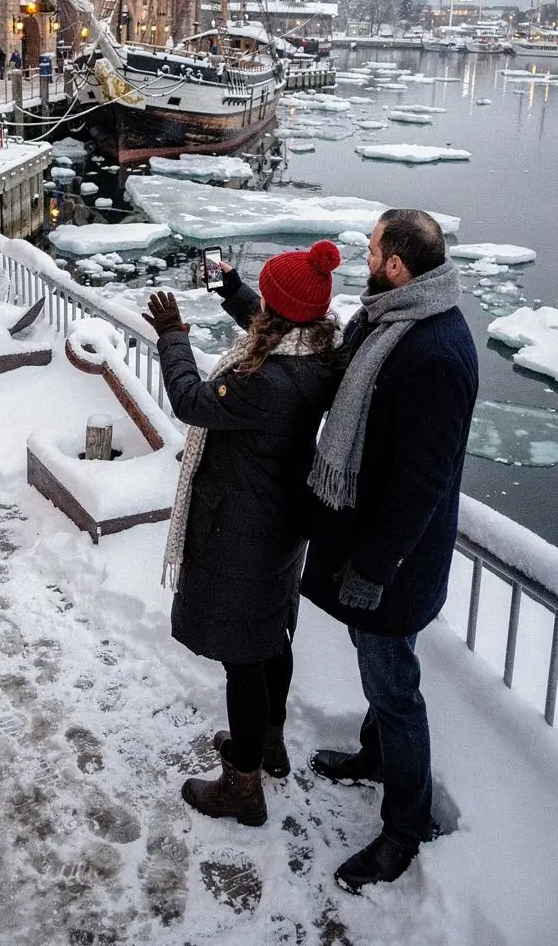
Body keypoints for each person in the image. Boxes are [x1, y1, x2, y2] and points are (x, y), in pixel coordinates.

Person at [301, 209, 478, 893]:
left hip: (392, 558)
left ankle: (409, 826)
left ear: (397, 265)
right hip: (369, 539)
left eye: (372, 248)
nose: (363, 255)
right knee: (378, 665)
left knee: (393, 685)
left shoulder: (434, 352)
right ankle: (376, 757)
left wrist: (375, 568)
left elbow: (423, 482)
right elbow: (337, 376)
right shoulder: (392, 318)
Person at [141, 241, 344, 827]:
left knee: (242, 660)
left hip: (242, 531)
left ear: (279, 314)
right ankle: (271, 742)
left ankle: (243, 785)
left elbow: (192, 400)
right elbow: (279, 323)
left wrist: (173, 336)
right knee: (271, 633)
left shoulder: (265, 382)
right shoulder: (320, 351)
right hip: (281, 524)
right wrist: (233, 291)